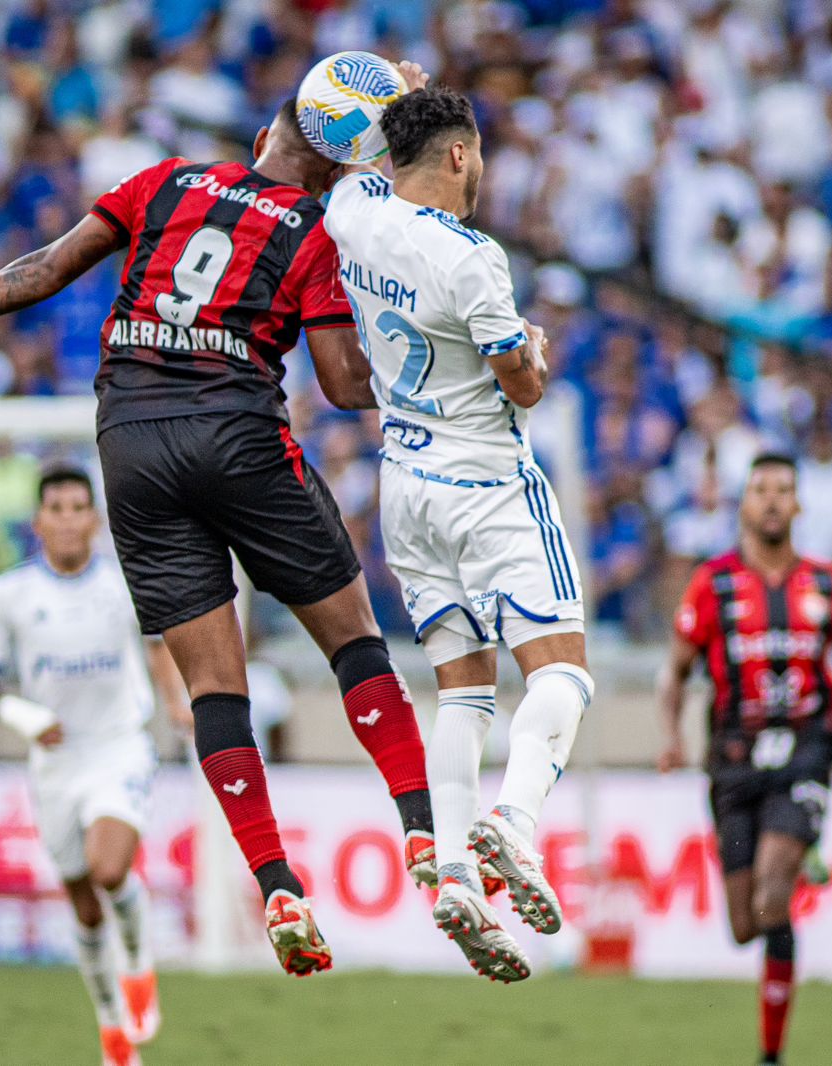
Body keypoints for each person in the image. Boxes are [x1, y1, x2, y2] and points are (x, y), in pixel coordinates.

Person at [0, 92, 435, 977]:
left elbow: (48, 266)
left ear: (260, 139)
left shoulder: (165, 181)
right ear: (334, 172)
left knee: (212, 686)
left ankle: (276, 881)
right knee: (354, 638)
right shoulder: (320, 230)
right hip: (236, 428)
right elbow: (345, 386)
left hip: (129, 442)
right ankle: (425, 836)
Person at [324, 81, 595, 982]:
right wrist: (535, 352)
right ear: (459, 156)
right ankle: (512, 825)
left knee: (463, 692)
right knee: (561, 672)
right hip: (485, 482)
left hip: (404, 485)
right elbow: (522, 386)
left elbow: (354, 157)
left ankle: (448, 871)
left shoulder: (351, 211)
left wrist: (388, 94)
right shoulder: (471, 256)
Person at [657, 453, 832, 1066]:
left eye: (785, 489)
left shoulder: (829, 584)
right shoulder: (714, 584)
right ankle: (796, 856)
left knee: (774, 898)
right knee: (746, 923)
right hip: (732, 757)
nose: (774, 500)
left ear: (798, 505)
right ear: (745, 504)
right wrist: (671, 735)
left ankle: (770, 1055)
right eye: (762, 490)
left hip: (806, 748)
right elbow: (673, 672)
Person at [0, 467, 183, 1066]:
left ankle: (138, 961)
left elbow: (159, 643)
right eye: (55, 508)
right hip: (56, 761)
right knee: (84, 906)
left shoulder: (122, 584)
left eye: (77, 507)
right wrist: (18, 714)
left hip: (118, 745)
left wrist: (176, 704)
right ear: (38, 522)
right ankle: (112, 1026)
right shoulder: (8, 596)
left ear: (95, 520)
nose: (66, 518)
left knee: (109, 869)